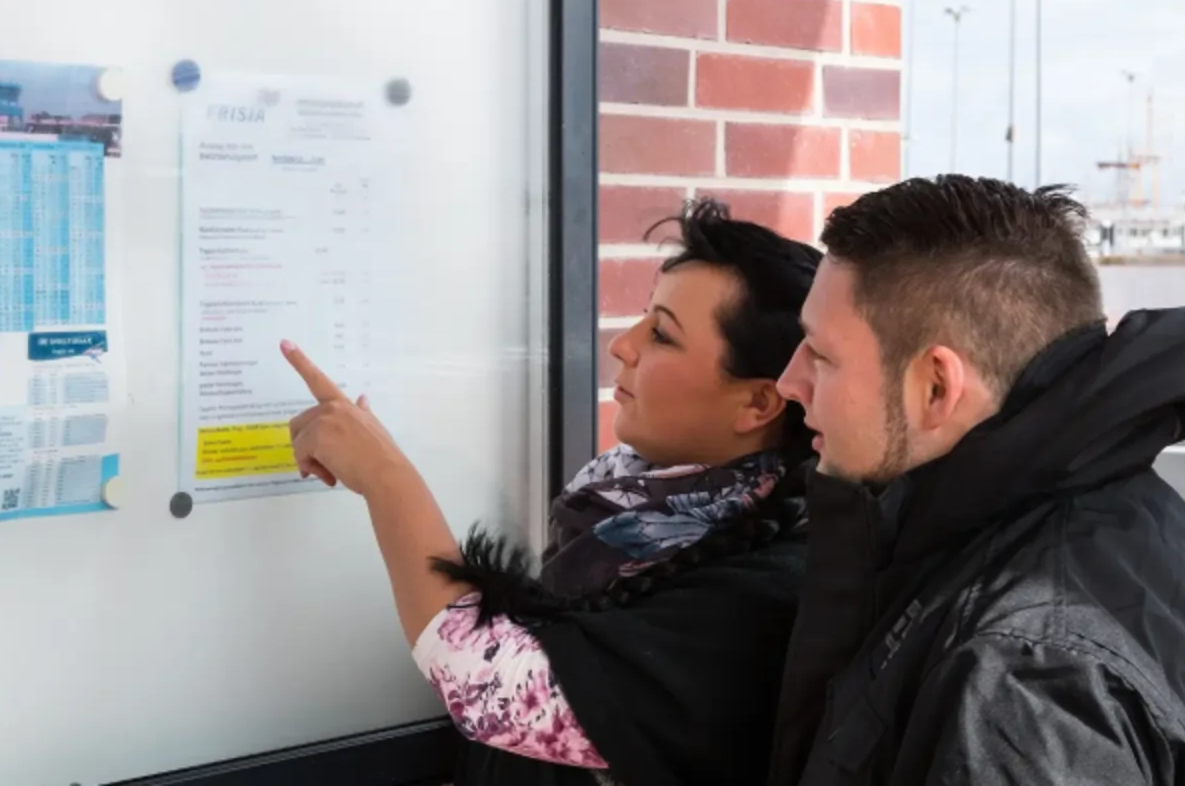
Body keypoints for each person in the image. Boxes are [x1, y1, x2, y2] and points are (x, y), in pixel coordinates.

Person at [769, 175, 1185, 786]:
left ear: (936, 386)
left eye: (821, 355)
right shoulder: (1129, 509)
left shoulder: (1026, 677)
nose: (788, 382)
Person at [283, 199, 822, 785]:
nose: (624, 345)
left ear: (759, 403)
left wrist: (385, 478)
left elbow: (494, 687)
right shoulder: (628, 512)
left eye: (662, 335)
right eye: (644, 318)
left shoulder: (768, 589)